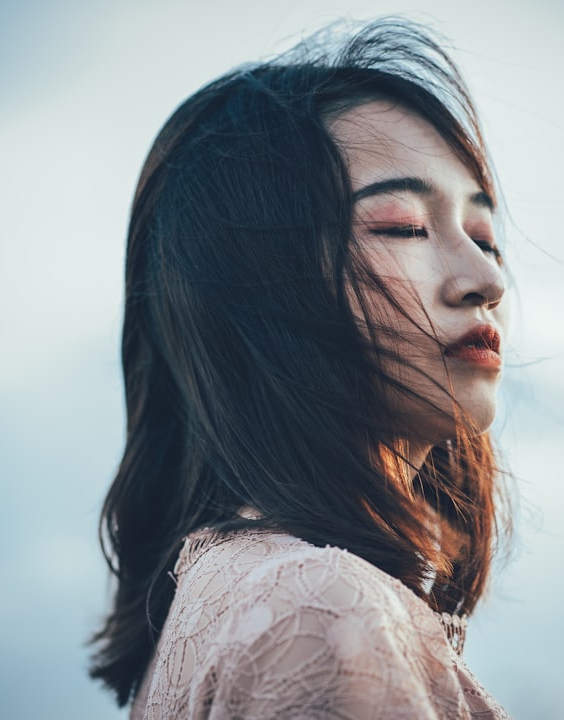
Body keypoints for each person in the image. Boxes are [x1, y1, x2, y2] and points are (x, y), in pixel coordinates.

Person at [90, 18, 512, 719]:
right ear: (259, 285)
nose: (484, 279)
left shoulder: (246, 592)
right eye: (402, 226)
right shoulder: (318, 606)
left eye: (484, 236)